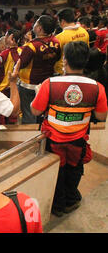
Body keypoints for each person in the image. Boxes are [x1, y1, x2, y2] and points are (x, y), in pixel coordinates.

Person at [31, 41, 107, 217]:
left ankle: (57, 207)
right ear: (86, 60)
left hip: (53, 139)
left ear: (64, 60)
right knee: (75, 170)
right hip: (78, 140)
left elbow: (35, 110)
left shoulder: (49, 84)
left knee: (57, 171)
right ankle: (71, 201)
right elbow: (102, 117)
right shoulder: (97, 88)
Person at [17, 15, 61, 124]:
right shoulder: (56, 42)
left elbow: (20, 64)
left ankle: (31, 135)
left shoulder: (31, 46)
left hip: (29, 85)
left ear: (39, 28)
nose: (34, 24)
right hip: (46, 83)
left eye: (36, 23)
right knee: (44, 111)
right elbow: (58, 57)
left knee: (29, 114)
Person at [54, 8, 89, 75]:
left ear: (62, 21)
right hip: (81, 70)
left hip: (64, 72)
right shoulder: (84, 32)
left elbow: (55, 58)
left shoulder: (60, 37)